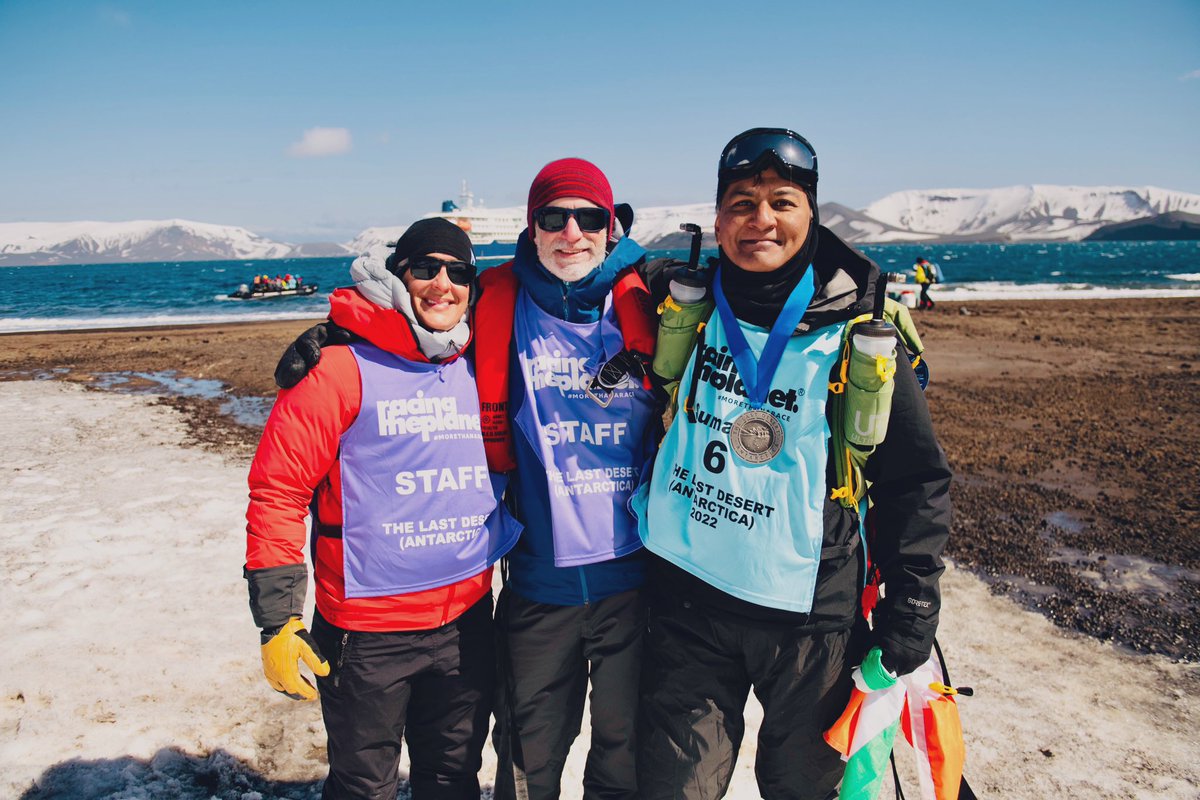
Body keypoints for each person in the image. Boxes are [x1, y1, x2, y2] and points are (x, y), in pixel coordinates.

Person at [630, 128, 952, 800]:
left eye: (782, 201)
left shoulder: (860, 325)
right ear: (717, 219)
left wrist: (913, 605)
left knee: (802, 789)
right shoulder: (681, 299)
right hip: (688, 596)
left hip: (808, 612)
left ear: (811, 215)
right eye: (742, 204)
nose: (761, 220)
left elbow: (915, 479)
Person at [244, 218, 522, 800]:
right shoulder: (339, 369)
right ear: (397, 277)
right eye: (425, 269)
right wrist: (277, 619)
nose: (442, 284)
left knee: (451, 780)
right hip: (367, 634)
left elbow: (562, 280)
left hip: (466, 621)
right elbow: (279, 490)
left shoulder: (480, 362)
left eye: (459, 272)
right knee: (364, 786)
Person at [477, 158, 659, 800]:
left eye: (589, 217)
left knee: (625, 749)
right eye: (554, 218)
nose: (571, 232)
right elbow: (417, 325)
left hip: (634, 584)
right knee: (530, 749)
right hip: (537, 584)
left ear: (612, 227)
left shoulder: (656, 302)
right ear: (532, 229)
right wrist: (335, 337)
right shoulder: (494, 301)